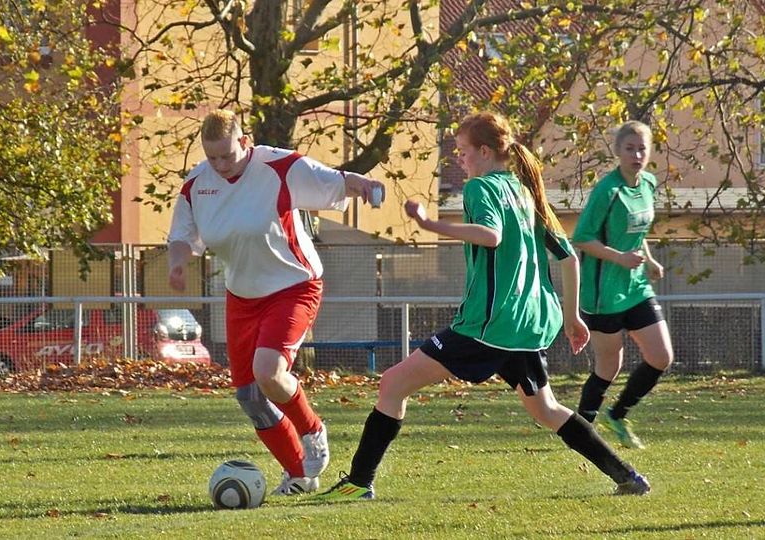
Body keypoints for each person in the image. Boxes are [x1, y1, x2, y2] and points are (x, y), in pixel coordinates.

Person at [318, 111, 650, 501]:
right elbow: (570, 258)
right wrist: (572, 316)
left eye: (463, 151)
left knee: (392, 384)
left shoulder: (481, 188)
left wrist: (430, 225)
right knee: (546, 409)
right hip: (527, 324)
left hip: (488, 325)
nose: (460, 160)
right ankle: (628, 477)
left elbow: (491, 236)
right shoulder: (524, 191)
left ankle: (359, 483)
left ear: (485, 151)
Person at [166, 109, 386, 495]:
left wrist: (364, 185)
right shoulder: (196, 184)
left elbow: (334, 181)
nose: (220, 165)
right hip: (241, 297)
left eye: (227, 155)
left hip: (294, 286)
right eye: (212, 157)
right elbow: (182, 237)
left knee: (268, 372)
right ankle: (300, 474)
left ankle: (312, 430)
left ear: (244, 143)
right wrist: (178, 264)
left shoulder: (279, 166)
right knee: (250, 396)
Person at [573, 120, 674, 449]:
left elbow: (637, 231)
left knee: (661, 356)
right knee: (609, 366)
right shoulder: (608, 190)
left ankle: (617, 415)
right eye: (630, 148)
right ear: (618, 152)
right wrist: (619, 258)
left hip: (636, 287)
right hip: (603, 294)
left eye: (642, 148)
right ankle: (580, 428)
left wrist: (650, 259)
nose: (637, 155)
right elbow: (582, 238)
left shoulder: (648, 184)